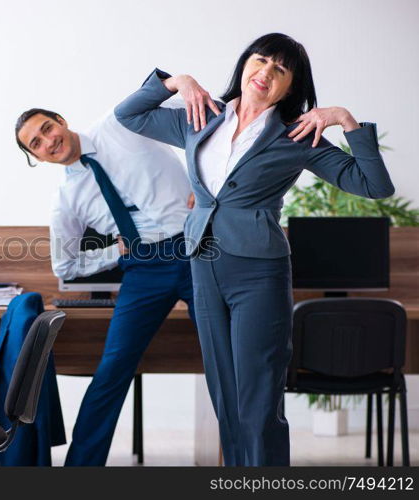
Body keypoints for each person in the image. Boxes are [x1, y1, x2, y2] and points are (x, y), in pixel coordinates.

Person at [114, 32, 394, 466]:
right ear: (245, 63)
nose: (265, 72)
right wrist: (176, 82)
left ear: (291, 87)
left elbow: (374, 185)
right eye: (261, 61)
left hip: (258, 272)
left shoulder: (297, 134)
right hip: (202, 264)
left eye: (279, 70)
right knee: (224, 396)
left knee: (259, 400)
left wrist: (345, 119)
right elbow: (127, 114)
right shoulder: (198, 115)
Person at [15, 107, 197, 466]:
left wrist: (204, 185)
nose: (49, 141)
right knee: (112, 369)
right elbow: (63, 264)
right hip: (145, 270)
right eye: (36, 143)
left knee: (224, 358)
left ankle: (246, 463)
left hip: (198, 250)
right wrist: (113, 252)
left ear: (62, 121)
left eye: (48, 128)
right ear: (36, 157)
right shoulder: (67, 199)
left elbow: (196, 132)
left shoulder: (119, 126)